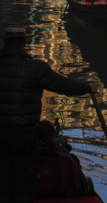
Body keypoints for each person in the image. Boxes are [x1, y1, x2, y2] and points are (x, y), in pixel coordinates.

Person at [0, 26, 96, 203]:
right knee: (23, 182)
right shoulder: (35, 68)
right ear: (24, 43)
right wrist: (87, 88)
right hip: (24, 134)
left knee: (2, 181)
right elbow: (64, 86)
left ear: (6, 43)